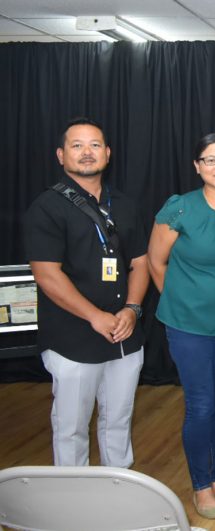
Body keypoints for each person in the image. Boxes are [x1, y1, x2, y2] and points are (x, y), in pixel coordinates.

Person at [24, 117, 149, 468]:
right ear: (61, 155)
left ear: (107, 153)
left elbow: (140, 263)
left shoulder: (124, 204)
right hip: (72, 338)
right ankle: (72, 500)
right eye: (77, 146)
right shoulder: (46, 207)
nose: (87, 152)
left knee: (118, 422)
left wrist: (132, 309)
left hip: (125, 334)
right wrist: (95, 316)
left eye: (94, 145)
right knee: (71, 427)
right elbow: (47, 274)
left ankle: (118, 487)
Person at [147, 133, 215, 519]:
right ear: (197, 166)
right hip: (187, 325)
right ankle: (201, 486)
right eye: (210, 160)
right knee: (201, 405)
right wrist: (179, 302)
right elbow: (157, 262)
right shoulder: (180, 209)